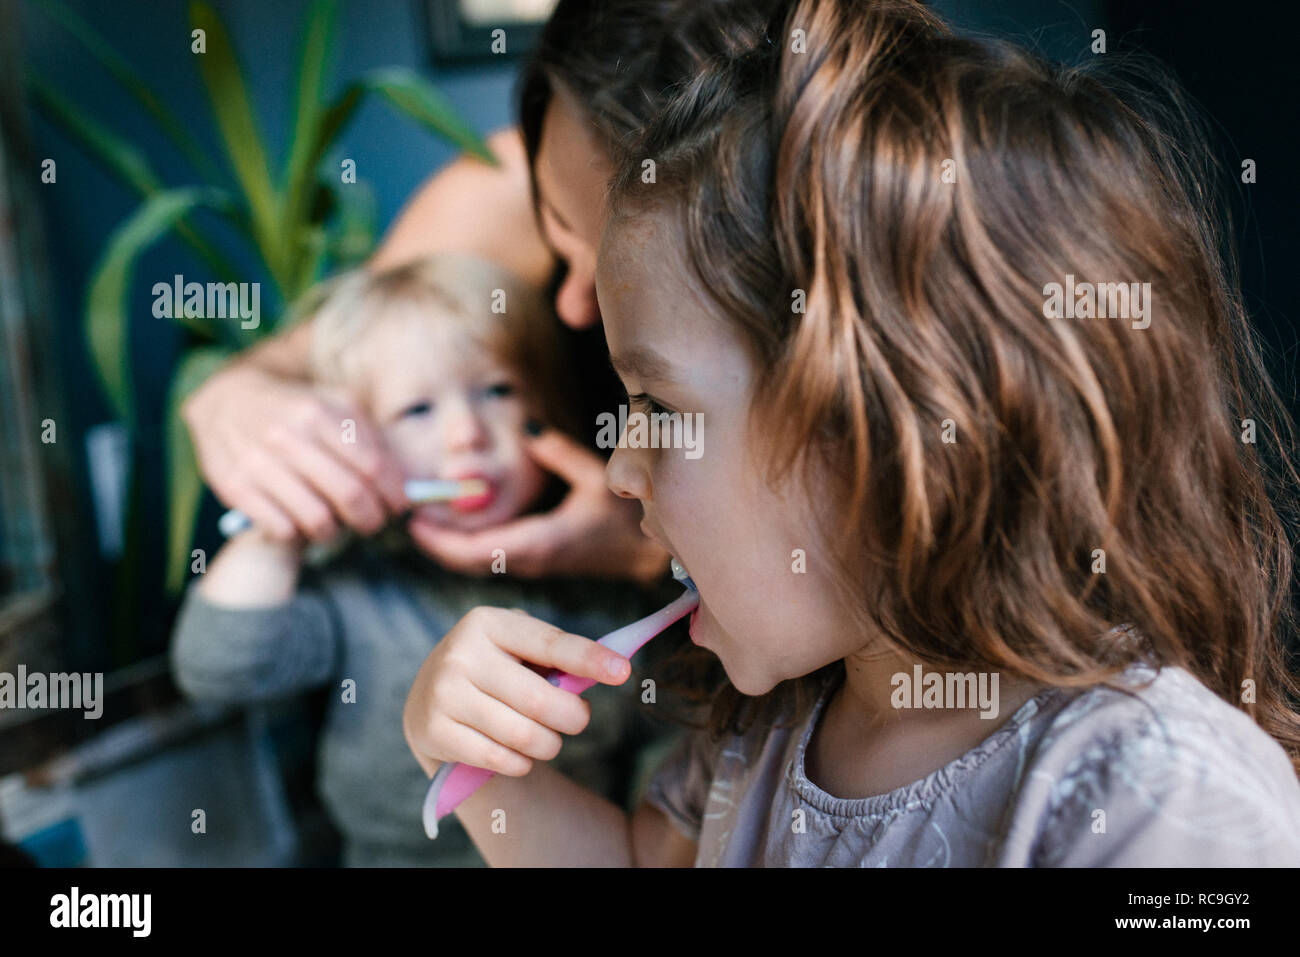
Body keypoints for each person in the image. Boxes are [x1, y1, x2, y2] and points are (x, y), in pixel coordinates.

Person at [401, 0, 1300, 866]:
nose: (620, 470)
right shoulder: (765, 722)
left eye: (659, 408)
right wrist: (486, 773)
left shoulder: (1164, 791)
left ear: (885, 423)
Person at [180, 0, 780, 586]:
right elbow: (311, 351)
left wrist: (646, 559)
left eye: (617, 275)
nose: (572, 306)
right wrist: (235, 395)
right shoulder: (507, 184)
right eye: (557, 226)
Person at [170, 254, 671, 866]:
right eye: (417, 410)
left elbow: (670, 744)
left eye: (496, 391)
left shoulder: (602, 582)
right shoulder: (358, 588)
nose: (466, 434)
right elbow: (218, 666)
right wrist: (286, 523)